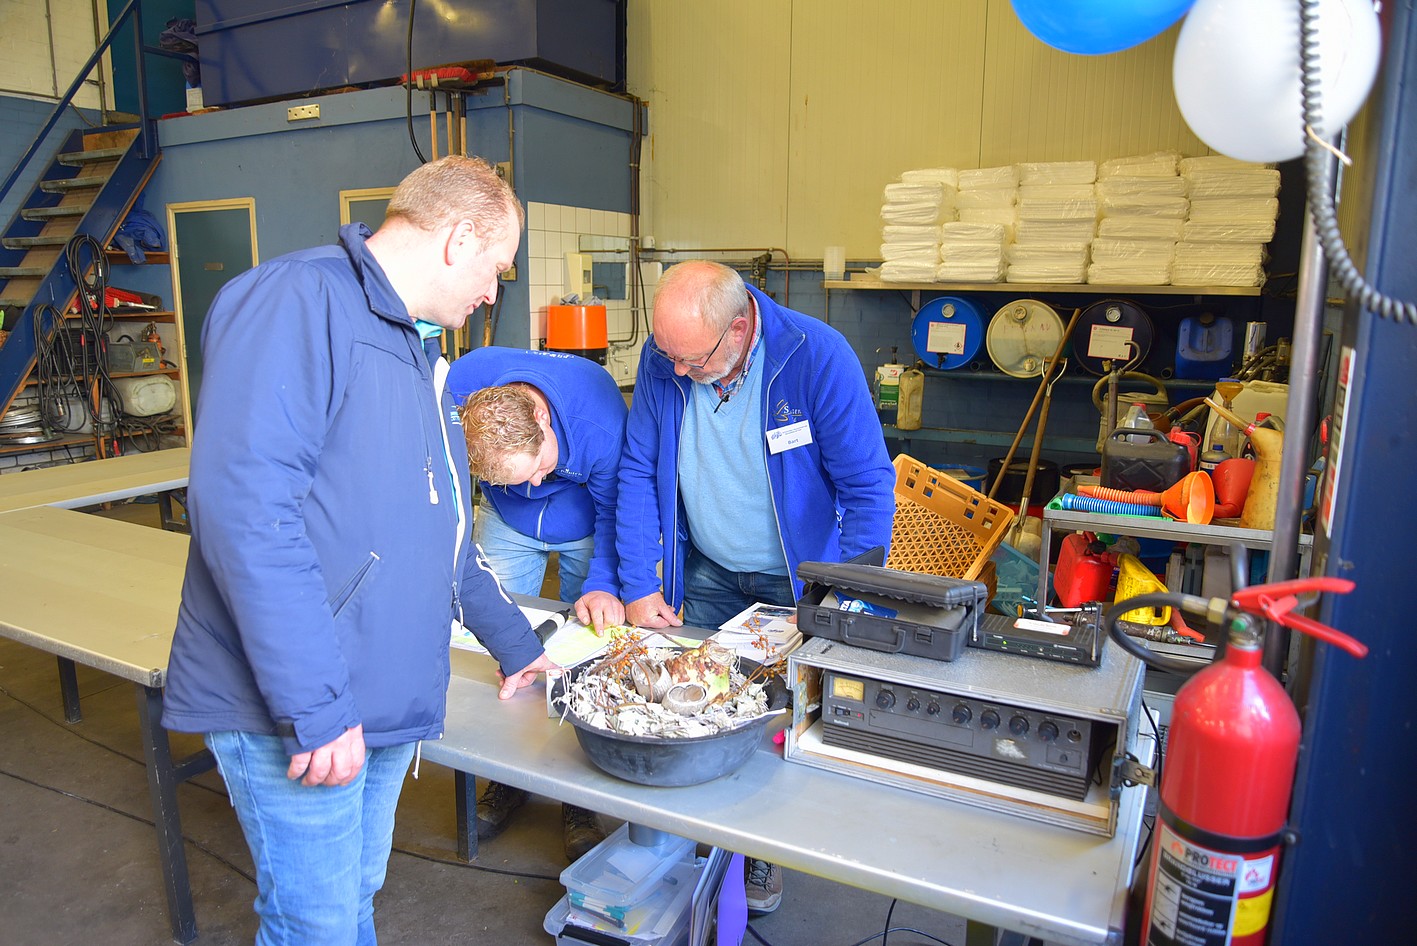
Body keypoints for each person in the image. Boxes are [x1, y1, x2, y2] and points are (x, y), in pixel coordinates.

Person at [162, 156, 557, 944]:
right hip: (302, 702)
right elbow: (247, 516)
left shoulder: (416, 353)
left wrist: (517, 646)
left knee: (351, 903)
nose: (493, 292)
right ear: (457, 238)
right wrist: (313, 704)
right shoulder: (297, 301)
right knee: (314, 924)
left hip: (378, 696)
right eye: (497, 268)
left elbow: (445, 535)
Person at [616, 260, 895, 914]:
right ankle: (693, 839)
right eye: (668, 355)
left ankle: (761, 850)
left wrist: (845, 596)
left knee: (776, 722)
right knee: (694, 707)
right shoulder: (667, 358)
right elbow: (637, 471)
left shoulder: (816, 356)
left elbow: (866, 486)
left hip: (795, 580)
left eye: (692, 360)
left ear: (739, 328)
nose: (675, 370)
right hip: (706, 569)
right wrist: (636, 581)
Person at [448, 345, 627, 860]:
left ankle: (576, 796)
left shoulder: (598, 416)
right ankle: (507, 775)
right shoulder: (458, 389)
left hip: (585, 521)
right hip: (506, 523)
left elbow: (616, 508)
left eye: (540, 466)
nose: (534, 485)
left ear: (543, 420)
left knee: (584, 651)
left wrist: (603, 582)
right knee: (499, 649)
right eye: (516, 478)